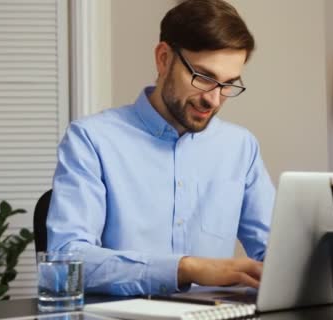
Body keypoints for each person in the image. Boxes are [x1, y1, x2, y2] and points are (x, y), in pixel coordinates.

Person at [47, 0, 275, 296]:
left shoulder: (241, 147)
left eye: (228, 84)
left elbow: (276, 253)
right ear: (164, 58)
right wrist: (185, 269)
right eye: (204, 78)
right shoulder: (91, 139)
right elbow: (66, 263)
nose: (214, 100)